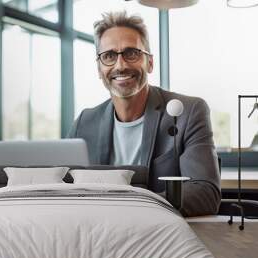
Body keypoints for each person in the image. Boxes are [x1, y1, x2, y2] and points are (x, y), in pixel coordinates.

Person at [67, 11, 221, 217]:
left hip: (161, 237)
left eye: (131, 53)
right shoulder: (85, 122)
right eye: (109, 56)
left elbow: (205, 193)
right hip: (98, 235)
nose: (120, 65)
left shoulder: (190, 111)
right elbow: (63, 189)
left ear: (150, 62)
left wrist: (133, 205)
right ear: (99, 68)